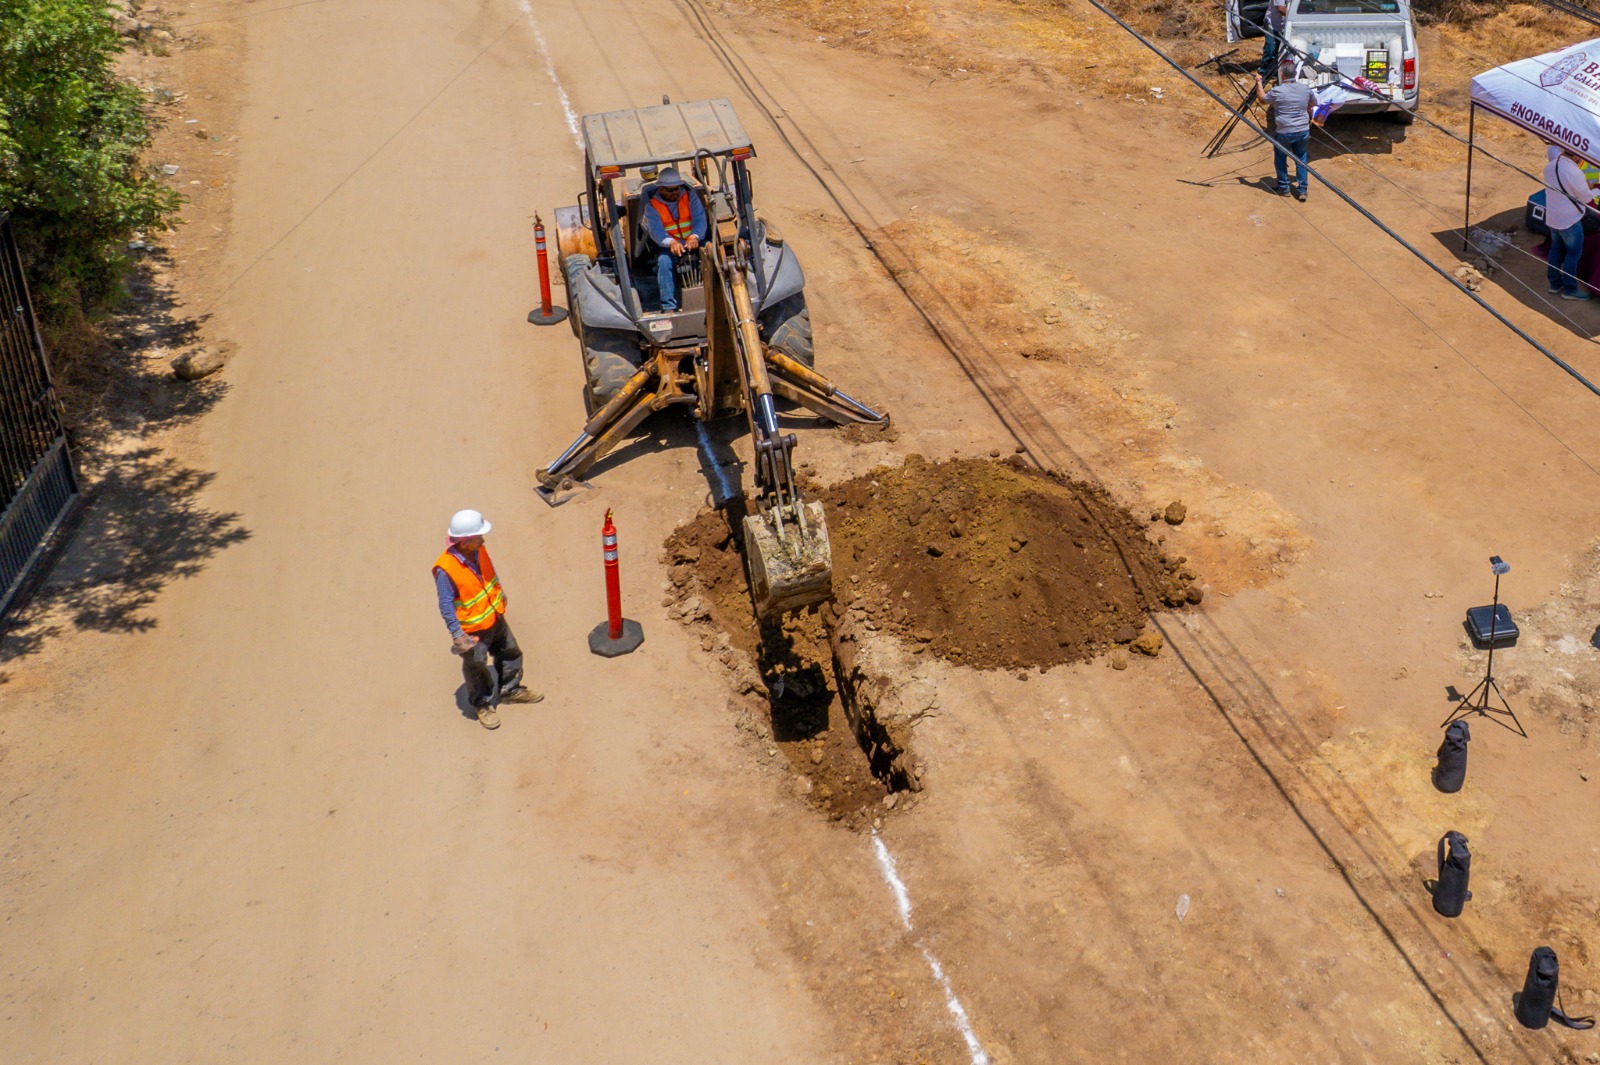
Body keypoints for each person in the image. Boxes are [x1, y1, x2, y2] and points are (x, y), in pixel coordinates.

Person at [432, 509, 542, 730]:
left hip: (493, 615)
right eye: (478, 537)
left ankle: (510, 690)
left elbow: (489, 573)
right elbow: (445, 605)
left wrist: (499, 592)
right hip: (472, 631)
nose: (483, 540)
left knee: (510, 652)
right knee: (476, 667)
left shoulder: (478, 549)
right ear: (464, 542)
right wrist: (457, 634)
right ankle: (481, 704)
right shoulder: (446, 570)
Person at [642, 167, 708, 312]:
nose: (674, 193)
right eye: (670, 190)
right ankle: (669, 306)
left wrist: (694, 236)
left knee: (712, 253)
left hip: (695, 241)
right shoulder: (652, 207)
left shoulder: (690, 197)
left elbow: (700, 220)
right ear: (660, 189)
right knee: (663, 262)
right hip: (670, 245)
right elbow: (656, 231)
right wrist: (671, 242)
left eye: (676, 189)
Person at [1543, 145, 1594, 301]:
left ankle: (1554, 284)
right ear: (1577, 156)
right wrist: (1591, 188)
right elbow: (1586, 198)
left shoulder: (1550, 165)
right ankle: (1570, 289)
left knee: (1556, 249)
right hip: (1569, 220)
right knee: (1573, 254)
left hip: (1553, 216)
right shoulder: (1575, 172)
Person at [1258, 62, 1314, 202]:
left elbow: (1263, 100)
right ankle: (1302, 190)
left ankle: (1284, 188)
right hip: (1302, 130)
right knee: (1301, 158)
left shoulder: (1277, 91)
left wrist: (1259, 83)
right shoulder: (1305, 89)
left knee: (1281, 158)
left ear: (1282, 75)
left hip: (1284, 131)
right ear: (1295, 74)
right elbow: (1313, 104)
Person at [1258, 0, 1289, 78]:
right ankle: (1263, 72)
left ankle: (1274, 70)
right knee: (1270, 48)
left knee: (1279, 49)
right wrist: (1296, 16)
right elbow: (1281, 8)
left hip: (1283, 25)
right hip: (1272, 24)